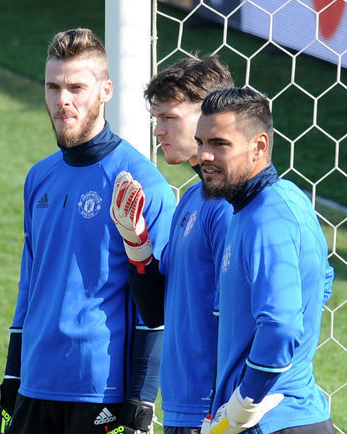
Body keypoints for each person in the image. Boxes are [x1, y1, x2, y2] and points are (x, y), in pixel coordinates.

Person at [0, 28, 176, 434]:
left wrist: (140, 400)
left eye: (76, 87)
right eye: (53, 87)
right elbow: (29, 283)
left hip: (100, 391)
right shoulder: (39, 177)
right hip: (35, 383)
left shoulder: (141, 185)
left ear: (106, 91)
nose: (63, 100)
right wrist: (12, 373)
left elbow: (156, 310)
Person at [194, 87, 334, 434]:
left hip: (271, 421)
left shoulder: (267, 217)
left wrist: (246, 399)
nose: (204, 155)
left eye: (219, 144)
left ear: (259, 146)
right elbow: (323, 281)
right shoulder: (264, 205)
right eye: (201, 142)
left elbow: (281, 325)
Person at [110, 55, 235, 434]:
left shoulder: (229, 208)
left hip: (216, 412)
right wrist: (137, 244)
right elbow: (157, 312)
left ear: (208, 117)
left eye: (168, 117)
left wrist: (225, 410)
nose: (157, 131)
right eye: (156, 118)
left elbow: (240, 317)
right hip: (183, 409)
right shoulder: (192, 200)